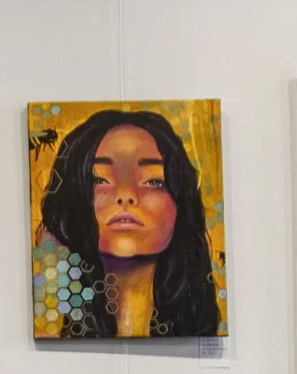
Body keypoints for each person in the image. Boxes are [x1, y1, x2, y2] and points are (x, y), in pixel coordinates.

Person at [37, 108, 221, 338]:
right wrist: (51, 278)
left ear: (180, 206)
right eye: (99, 178)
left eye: (153, 181)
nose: (126, 195)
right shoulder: (49, 320)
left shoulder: (196, 328)